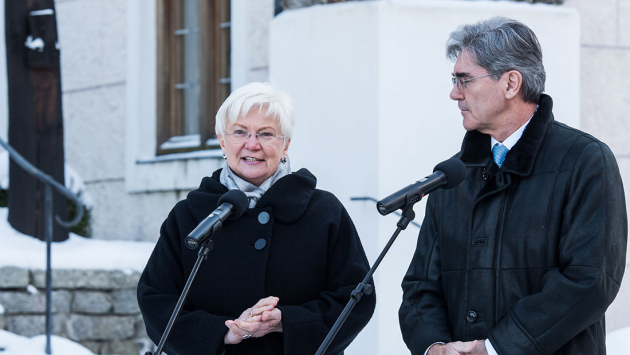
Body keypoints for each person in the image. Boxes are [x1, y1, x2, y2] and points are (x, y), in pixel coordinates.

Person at [399, 17, 627, 355]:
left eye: (465, 80)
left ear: (510, 83)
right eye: (454, 80)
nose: (454, 93)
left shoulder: (586, 161)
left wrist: (496, 348)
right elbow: (421, 287)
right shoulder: (453, 175)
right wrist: (435, 346)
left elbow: (590, 280)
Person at [138, 82, 375, 355]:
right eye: (240, 132)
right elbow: (156, 298)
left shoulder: (324, 212)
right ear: (222, 141)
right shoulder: (189, 214)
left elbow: (356, 296)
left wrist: (285, 322)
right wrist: (223, 333)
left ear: (285, 145)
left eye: (266, 134)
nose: (252, 144)